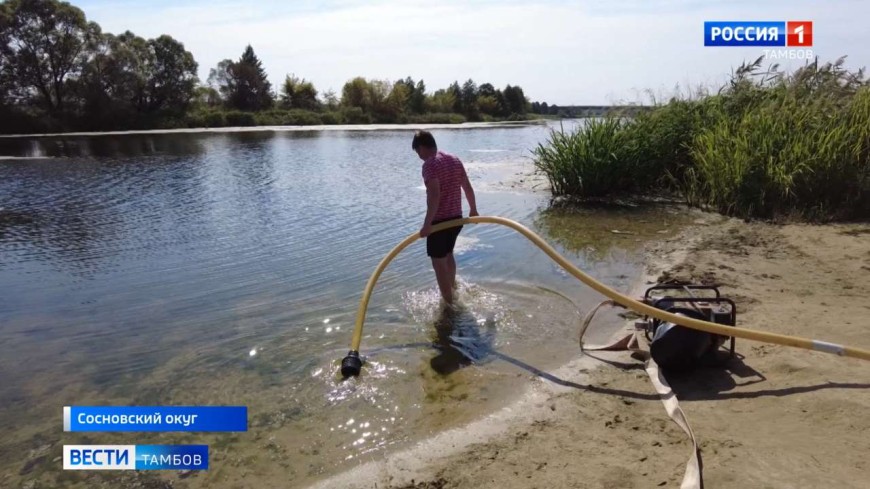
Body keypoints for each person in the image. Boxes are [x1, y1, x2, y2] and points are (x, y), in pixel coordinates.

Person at [412, 130, 478, 306]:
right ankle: (452, 289)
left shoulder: (430, 164)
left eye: (417, 152)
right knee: (448, 256)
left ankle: (448, 305)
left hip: (439, 223)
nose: (419, 156)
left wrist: (427, 225)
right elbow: (467, 186)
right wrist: (473, 209)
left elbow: (434, 195)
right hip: (456, 219)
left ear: (422, 148)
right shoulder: (454, 159)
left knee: (438, 263)